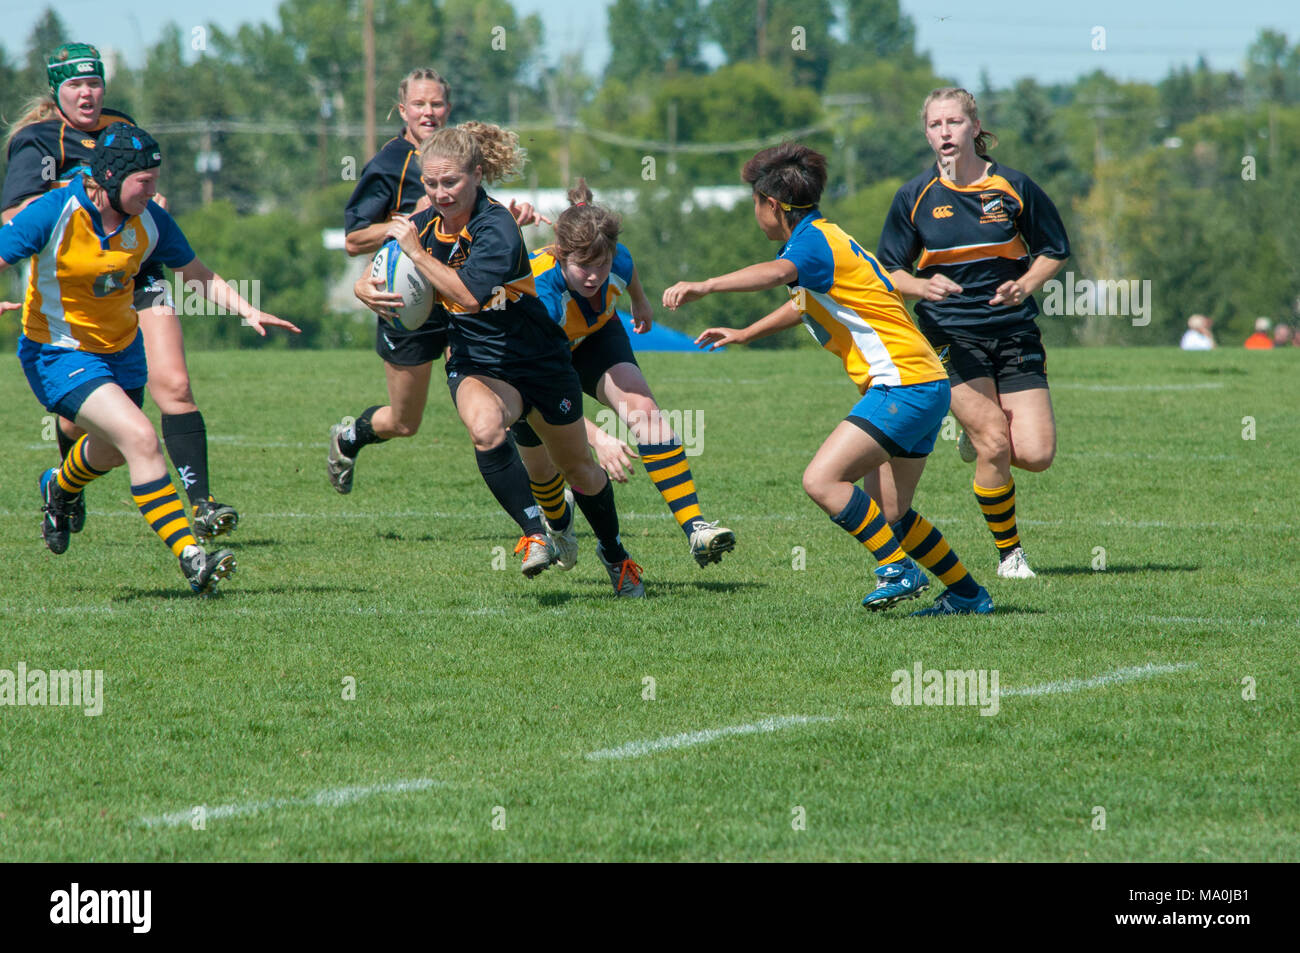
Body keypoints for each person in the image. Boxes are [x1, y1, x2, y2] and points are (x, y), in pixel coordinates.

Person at [664, 142, 992, 615]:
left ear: (772, 205)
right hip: (925, 382)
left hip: (902, 385)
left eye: (754, 203)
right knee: (891, 515)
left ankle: (897, 570)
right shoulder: (825, 237)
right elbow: (804, 303)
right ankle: (967, 594)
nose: (754, 212)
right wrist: (745, 333)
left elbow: (780, 274)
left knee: (822, 480)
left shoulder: (810, 246)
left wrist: (706, 285)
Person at [0, 124, 299, 592]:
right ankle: (193, 559)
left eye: (156, 178)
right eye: (144, 180)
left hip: (122, 352)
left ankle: (60, 486)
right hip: (56, 353)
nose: (154, 190)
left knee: (115, 452)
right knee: (141, 437)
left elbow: (198, 274)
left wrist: (247, 308)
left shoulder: (149, 220)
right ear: (111, 178)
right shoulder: (53, 212)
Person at [354, 122, 645, 596]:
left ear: (477, 174)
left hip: (539, 358)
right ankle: (534, 534)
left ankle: (615, 555)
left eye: (451, 182)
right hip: (477, 359)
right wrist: (362, 284)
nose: (440, 193)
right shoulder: (423, 226)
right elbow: (385, 262)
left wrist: (415, 253)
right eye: (430, 183)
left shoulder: (497, 225)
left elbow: (468, 296)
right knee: (486, 429)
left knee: (580, 471)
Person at [3, 42, 240, 541]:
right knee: (92, 426)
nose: (87, 94)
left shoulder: (120, 124)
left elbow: (143, 187)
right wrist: (87, 199)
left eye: (94, 83)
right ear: (56, 91)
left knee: (173, 382)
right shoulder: (38, 140)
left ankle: (202, 503)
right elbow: (14, 219)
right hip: (73, 277)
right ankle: (66, 487)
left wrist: (142, 199)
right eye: (75, 85)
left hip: (138, 264)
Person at [876, 87, 1069, 580]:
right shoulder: (913, 196)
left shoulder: (1014, 186)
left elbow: (1053, 248)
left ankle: (973, 436)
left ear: (974, 128)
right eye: (935, 125)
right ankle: (1011, 557)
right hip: (950, 336)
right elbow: (889, 271)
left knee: (1037, 454)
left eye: (954, 123)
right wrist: (920, 285)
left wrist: (1024, 285)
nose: (945, 133)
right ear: (927, 134)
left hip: (1013, 333)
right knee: (995, 443)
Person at [328, 68, 549, 494]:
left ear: (448, 108)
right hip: (406, 300)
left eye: (436, 103)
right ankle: (349, 436)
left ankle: (543, 501)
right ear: (402, 109)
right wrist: (403, 227)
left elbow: (478, 217)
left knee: (509, 395)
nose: (428, 112)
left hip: (460, 295)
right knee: (404, 421)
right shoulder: (390, 164)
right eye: (418, 104)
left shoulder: (458, 151)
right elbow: (354, 239)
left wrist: (510, 219)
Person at [508, 178, 735, 571]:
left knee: (644, 410)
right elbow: (543, 388)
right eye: (583, 267)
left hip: (596, 338)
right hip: (530, 367)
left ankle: (696, 528)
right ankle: (559, 528)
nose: (594, 276)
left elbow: (627, 272)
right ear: (561, 256)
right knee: (545, 467)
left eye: (602, 264)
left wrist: (641, 303)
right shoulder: (541, 294)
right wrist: (598, 438)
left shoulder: (616, 258)